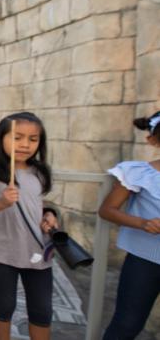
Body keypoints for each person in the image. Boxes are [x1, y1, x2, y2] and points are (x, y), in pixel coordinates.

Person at [0, 112, 59, 340]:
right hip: (3, 250)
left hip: (37, 250)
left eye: (33, 139)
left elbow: (37, 204)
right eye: (17, 137)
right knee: (5, 304)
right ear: (1, 138)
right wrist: (1, 202)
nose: (25, 144)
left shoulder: (40, 172)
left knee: (42, 309)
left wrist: (49, 214)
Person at [100, 111, 160, 340]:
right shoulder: (138, 172)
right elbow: (107, 210)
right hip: (145, 261)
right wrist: (143, 223)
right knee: (127, 323)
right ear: (153, 140)